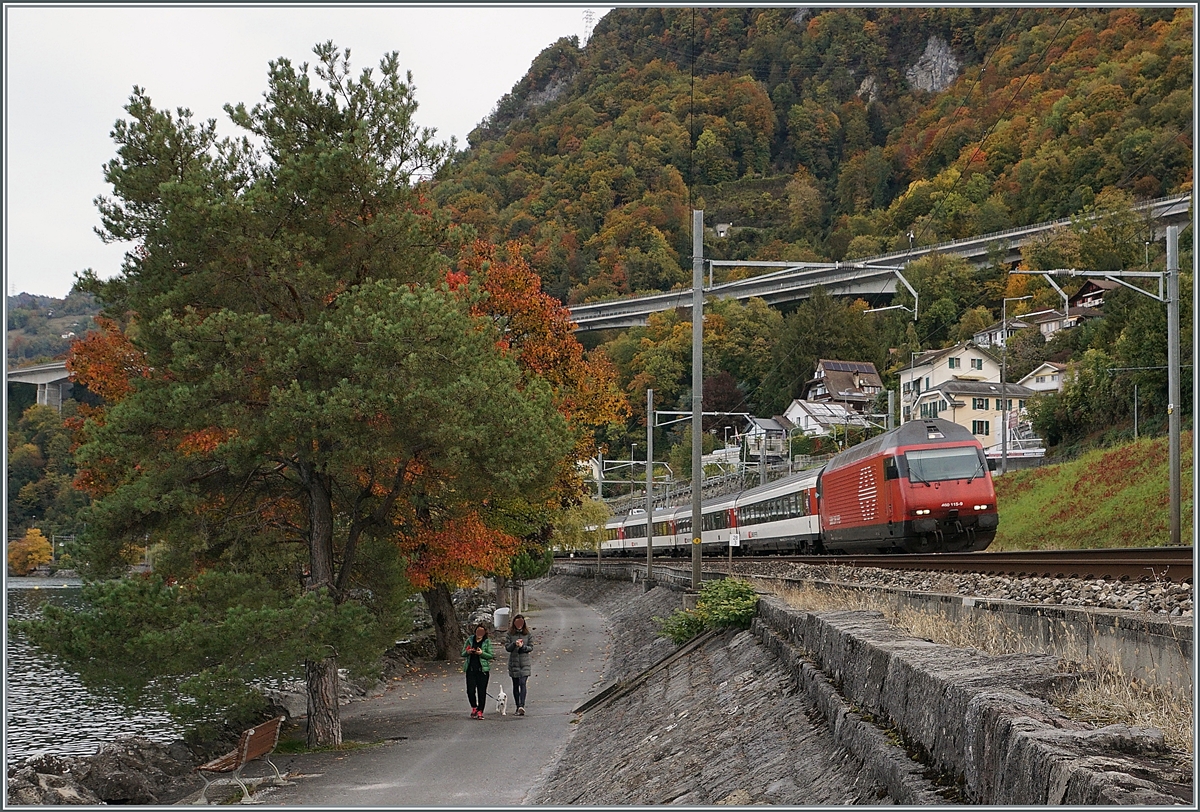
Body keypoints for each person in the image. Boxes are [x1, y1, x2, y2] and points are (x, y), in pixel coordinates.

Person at [461, 622, 494, 719]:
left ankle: (480, 711)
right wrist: (468, 652)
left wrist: (481, 653)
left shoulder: (487, 642)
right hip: (471, 669)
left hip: (482, 670)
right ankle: (474, 707)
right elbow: (463, 653)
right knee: (470, 691)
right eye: (478, 631)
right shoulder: (470, 640)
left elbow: (490, 655)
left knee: (481, 691)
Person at [504, 613, 534, 716]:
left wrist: (523, 647)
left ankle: (522, 705)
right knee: (516, 685)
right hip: (514, 663)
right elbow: (507, 648)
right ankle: (517, 706)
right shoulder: (509, 634)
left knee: (523, 683)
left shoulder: (528, 634)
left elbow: (531, 647)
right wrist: (514, 644)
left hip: (524, 663)